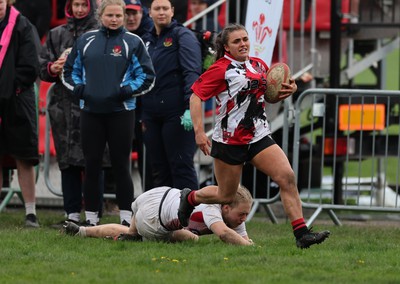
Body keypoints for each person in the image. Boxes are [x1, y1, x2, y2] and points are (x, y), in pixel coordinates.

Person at [178, 23, 330, 249]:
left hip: (258, 135)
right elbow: (196, 96)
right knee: (225, 196)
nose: (243, 44)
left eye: (245, 39)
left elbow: (266, 98)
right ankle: (189, 198)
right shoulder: (220, 68)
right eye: (237, 41)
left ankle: (302, 234)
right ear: (227, 47)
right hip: (230, 139)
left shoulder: (259, 65)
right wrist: (200, 132)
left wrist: (287, 91)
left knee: (286, 177)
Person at [62, 0, 155, 226]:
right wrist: (81, 90)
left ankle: (126, 218)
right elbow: (68, 72)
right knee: (91, 165)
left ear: (123, 17)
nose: (114, 19)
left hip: (121, 113)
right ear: (100, 16)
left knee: (121, 164)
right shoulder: (85, 40)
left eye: (118, 16)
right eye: (109, 15)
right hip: (91, 112)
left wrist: (125, 91)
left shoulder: (133, 42)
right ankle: (91, 218)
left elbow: (147, 76)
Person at [39, 0, 109, 226]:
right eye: (75, 4)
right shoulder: (55, 34)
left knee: (93, 161)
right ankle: (70, 214)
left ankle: (94, 214)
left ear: (91, 6)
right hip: (63, 106)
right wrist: (52, 68)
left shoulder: (102, 33)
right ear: (69, 7)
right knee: (67, 162)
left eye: (83, 5)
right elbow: (41, 66)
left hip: (93, 104)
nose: (79, 9)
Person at [62, 184, 254, 245]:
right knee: (192, 239)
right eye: (242, 214)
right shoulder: (213, 208)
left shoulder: (232, 213)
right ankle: (138, 237)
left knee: (131, 233)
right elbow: (226, 235)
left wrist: (247, 243)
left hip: (158, 195)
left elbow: (243, 238)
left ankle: (81, 231)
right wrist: (249, 246)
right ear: (226, 207)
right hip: (156, 213)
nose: (244, 218)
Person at [140, 0, 202, 190]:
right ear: (149, 12)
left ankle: (192, 215)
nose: (161, 12)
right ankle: (166, 217)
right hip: (151, 114)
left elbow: (191, 73)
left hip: (177, 113)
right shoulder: (146, 40)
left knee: (181, 166)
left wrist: (189, 107)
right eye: (157, 9)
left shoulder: (183, 35)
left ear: (172, 11)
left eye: (165, 8)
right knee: (159, 169)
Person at [0, 0, 40, 227]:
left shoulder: (23, 25)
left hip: (17, 98)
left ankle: (31, 213)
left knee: (23, 157)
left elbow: (31, 64)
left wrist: (11, 87)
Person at [123, 0, 154, 191]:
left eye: (135, 13)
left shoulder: (151, 37)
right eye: (127, 13)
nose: (131, 17)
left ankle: (149, 197)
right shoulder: (116, 36)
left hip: (145, 105)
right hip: (121, 103)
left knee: (147, 157)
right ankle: (116, 200)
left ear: (143, 13)